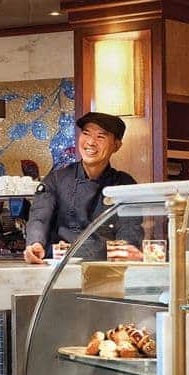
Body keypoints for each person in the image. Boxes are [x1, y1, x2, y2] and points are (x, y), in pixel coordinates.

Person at [23, 112, 139, 263]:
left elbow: (130, 226)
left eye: (100, 136)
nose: (91, 142)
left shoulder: (124, 183)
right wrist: (35, 243)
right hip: (60, 266)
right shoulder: (56, 179)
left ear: (116, 145)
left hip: (105, 268)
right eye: (86, 133)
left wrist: (128, 248)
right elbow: (39, 217)